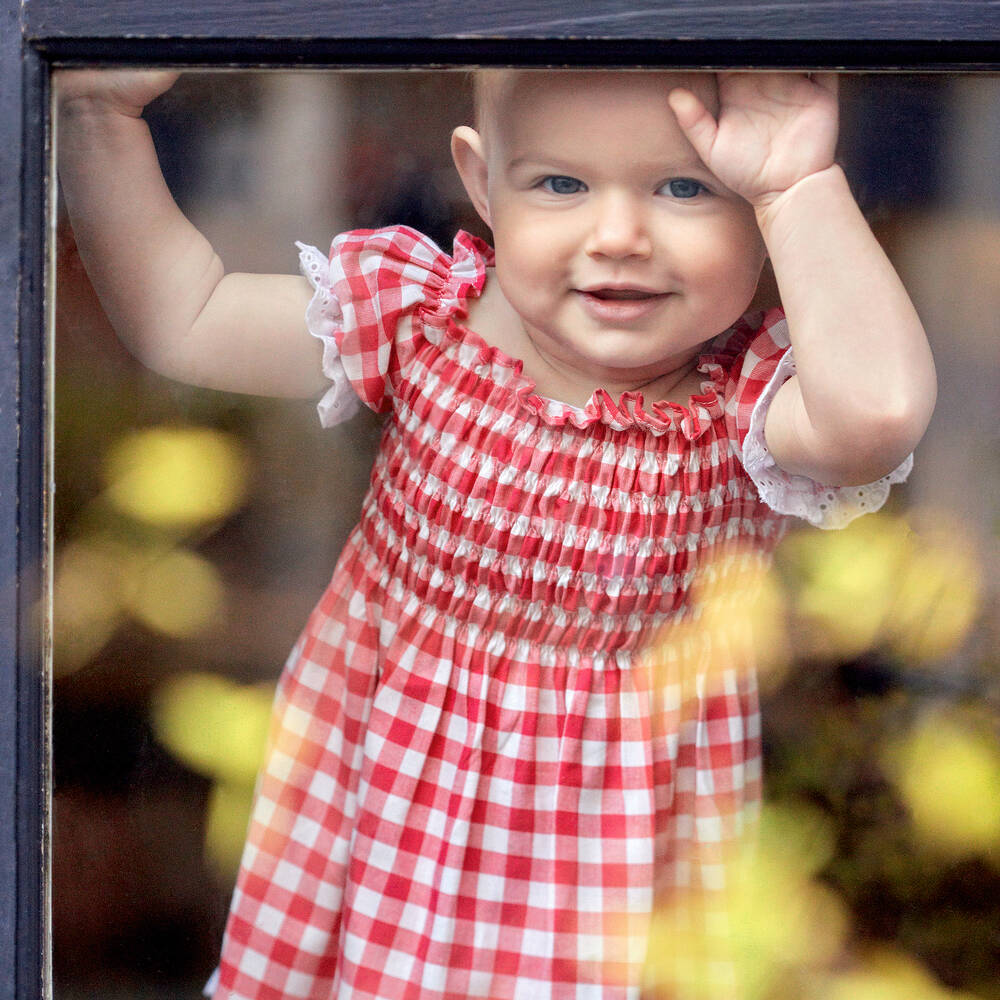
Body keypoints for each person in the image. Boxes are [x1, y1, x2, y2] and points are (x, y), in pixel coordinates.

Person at [57, 68, 936, 1000]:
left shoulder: (741, 407)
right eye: (560, 184)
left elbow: (875, 414)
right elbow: (183, 318)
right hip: (389, 816)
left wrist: (796, 186)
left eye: (687, 188)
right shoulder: (423, 321)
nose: (619, 236)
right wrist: (95, 116)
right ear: (482, 185)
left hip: (616, 850)